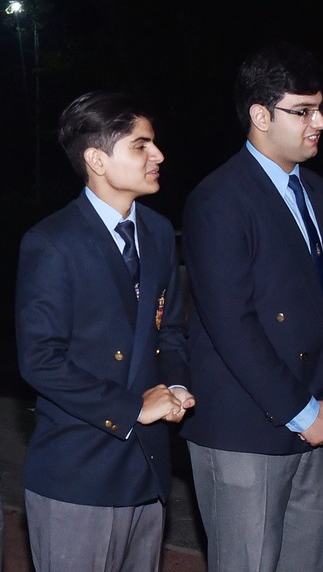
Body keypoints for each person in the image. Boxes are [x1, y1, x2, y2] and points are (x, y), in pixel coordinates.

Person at [179, 42, 323, 572]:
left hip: (321, 415)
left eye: (321, 108)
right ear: (260, 115)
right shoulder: (219, 199)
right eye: (302, 111)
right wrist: (302, 411)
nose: (319, 123)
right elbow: (231, 323)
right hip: (248, 425)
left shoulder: (318, 192)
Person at [15, 91, 194, 571]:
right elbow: (40, 360)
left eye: (153, 143)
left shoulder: (158, 232)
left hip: (148, 469)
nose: (158, 155)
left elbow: (170, 331)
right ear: (96, 160)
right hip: (80, 471)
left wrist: (176, 385)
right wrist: (133, 408)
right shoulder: (52, 242)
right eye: (140, 145)